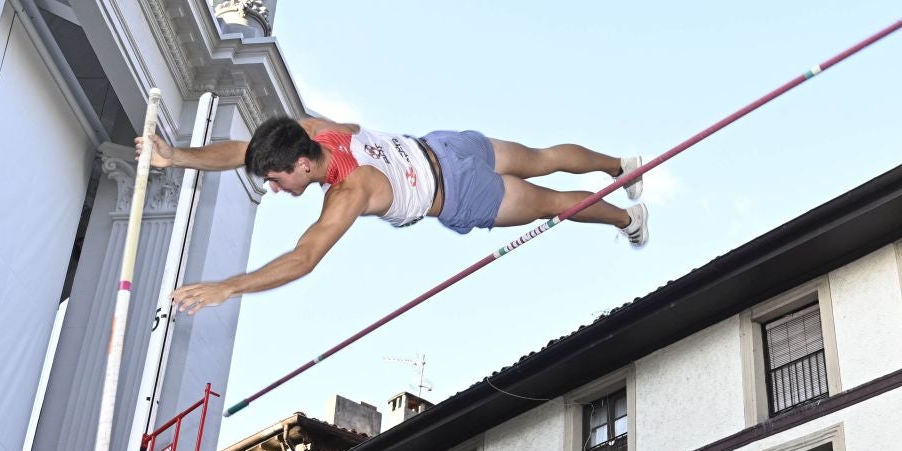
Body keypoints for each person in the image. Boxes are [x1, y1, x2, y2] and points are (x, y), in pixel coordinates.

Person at [143, 116, 648, 313]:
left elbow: (304, 258)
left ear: (302, 165)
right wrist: (177, 156)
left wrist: (229, 287)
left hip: (458, 190)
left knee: (556, 203)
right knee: (541, 157)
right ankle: (621, 166)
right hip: (444, 146)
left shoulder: (350, 191)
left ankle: (630, 220)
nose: (274, 189)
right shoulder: (314, 132)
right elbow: (244, 150)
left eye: (276, 179)